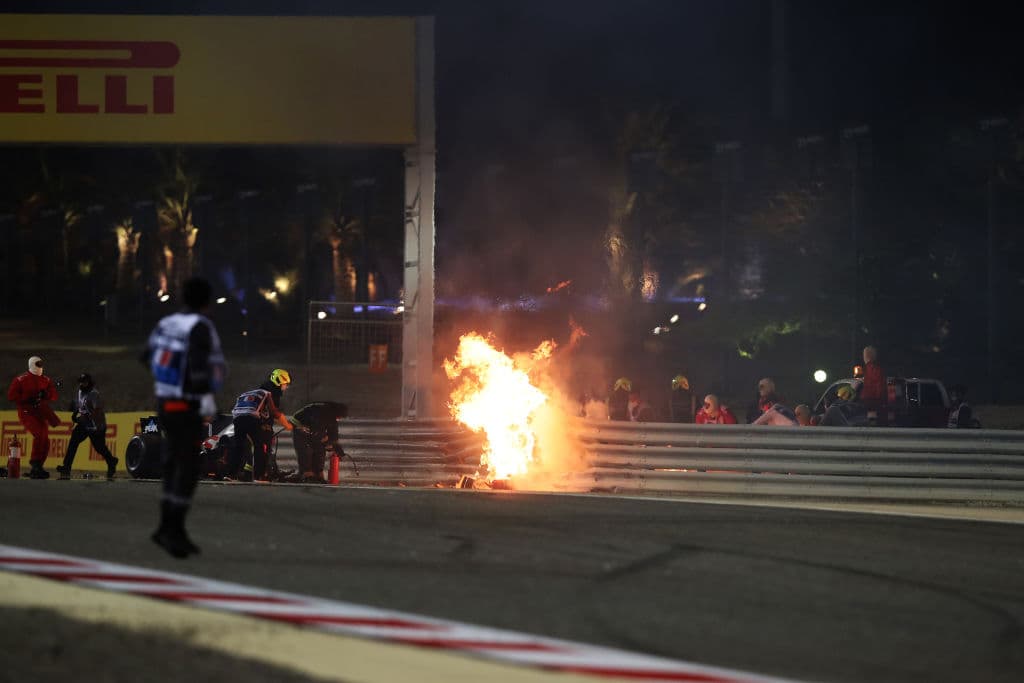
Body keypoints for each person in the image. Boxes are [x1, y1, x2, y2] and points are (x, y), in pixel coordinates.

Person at [142, 277, 226, 559]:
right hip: (186, 404)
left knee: (172, 465)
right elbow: (199, 368)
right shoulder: (199, 326)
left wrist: (166, 381)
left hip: (165, 402)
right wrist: (204, 397)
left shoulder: (166, 323)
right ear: (207, 302)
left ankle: (167, 526)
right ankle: (173, 530)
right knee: (188, 470)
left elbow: (146, 356)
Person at [227, 368, 293, 481]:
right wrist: (287, 424)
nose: (285, 387)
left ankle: (231, 475)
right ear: (279, 381)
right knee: (261, 447)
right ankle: (259, 476)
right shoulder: (268, 393)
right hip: (252, 419)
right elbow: (273, 412)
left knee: (239, 447)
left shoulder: (252, 392)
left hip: (238, 419)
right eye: (285, 384)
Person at [56, 373, 118, 480]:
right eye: (80, 381)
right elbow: (80, 405)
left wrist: (84, 418)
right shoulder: (80, 391)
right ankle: (66, 467)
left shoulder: (94, 394)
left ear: (89, 382)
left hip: (96, 425)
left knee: (99, 448)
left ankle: (111, 461)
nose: (82, 384)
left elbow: (97, 412)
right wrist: (76, 413)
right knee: (73, 442)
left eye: (84, 381)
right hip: (85, 424)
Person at [7, 355, 60, 479]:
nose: (40, 366)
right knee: (39, 434)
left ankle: (38, 466)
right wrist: (26, 398)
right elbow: (11, 396)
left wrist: (45, 394)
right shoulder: (21, 379)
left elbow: (53, 396)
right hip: (26, 412)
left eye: (41, 364)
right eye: (38, 364)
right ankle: (35, 463)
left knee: (45, 439)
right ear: (31, 364)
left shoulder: (46, 380)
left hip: (40, 412)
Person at [288, 401, 349, 483]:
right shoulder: (320, 412)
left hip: (313, 428)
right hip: (299, 425)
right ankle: (307, 474)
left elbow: (333, 436)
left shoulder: (332, 417)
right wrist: (323, 440)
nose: (339, 419)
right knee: (306, 450)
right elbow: (316, 431)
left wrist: (339, 451)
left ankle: (318, 474)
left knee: (320, 450)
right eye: (339, 417)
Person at [860, 346, 886, 411]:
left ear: (867, 355)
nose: (863, 357)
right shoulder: (874, 368)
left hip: (872, 402)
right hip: (873, 401)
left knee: (872, 419)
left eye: (864, 354)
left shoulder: (870, 369)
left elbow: (878, 386)